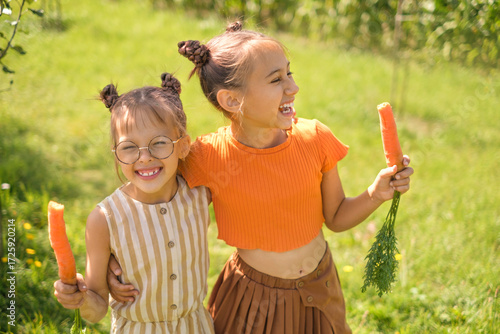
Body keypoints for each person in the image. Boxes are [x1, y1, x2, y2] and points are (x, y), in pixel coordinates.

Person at [110, 22, 414, 334]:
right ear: (231, 101)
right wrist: (113, 259)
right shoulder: (208, 157)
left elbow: (335, 217)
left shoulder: (315, 138)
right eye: (276, 79)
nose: (292, 87)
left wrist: (376, 193)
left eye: (289, 73)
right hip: (252, 301)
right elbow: (147, 199)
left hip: (321, 287)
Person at [53, 73, 215, 333]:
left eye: (159, 143)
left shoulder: (199, 193)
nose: (144, 158)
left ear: (183, 145)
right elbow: (97, 310)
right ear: (116, 155)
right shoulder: (105, 219)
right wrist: (80, 297)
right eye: (129, 148)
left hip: (196, 326)